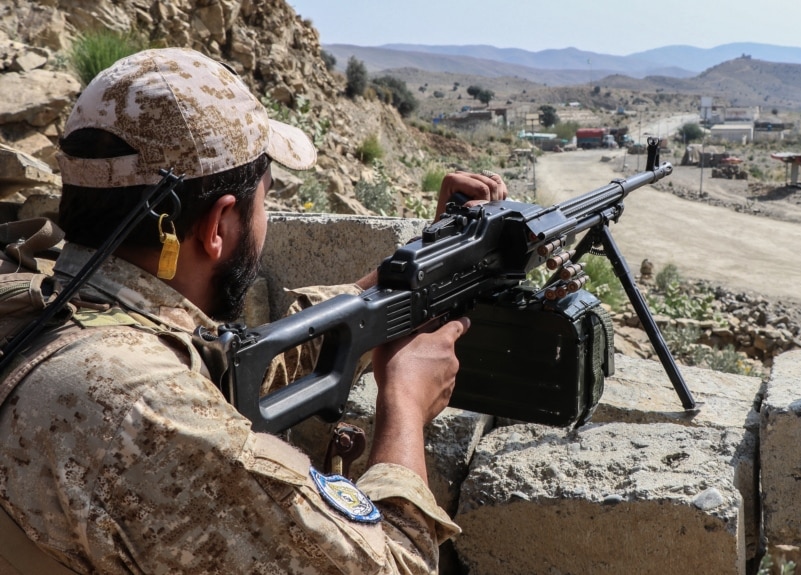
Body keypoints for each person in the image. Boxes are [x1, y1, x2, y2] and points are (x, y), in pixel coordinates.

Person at [0, 47, 506, 574]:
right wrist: (403, 405)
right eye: (265, 201)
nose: (264, 222)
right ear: (218, 226)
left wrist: (398, 280)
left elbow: (225, 361)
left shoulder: (46, 296)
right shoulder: (145, 411)